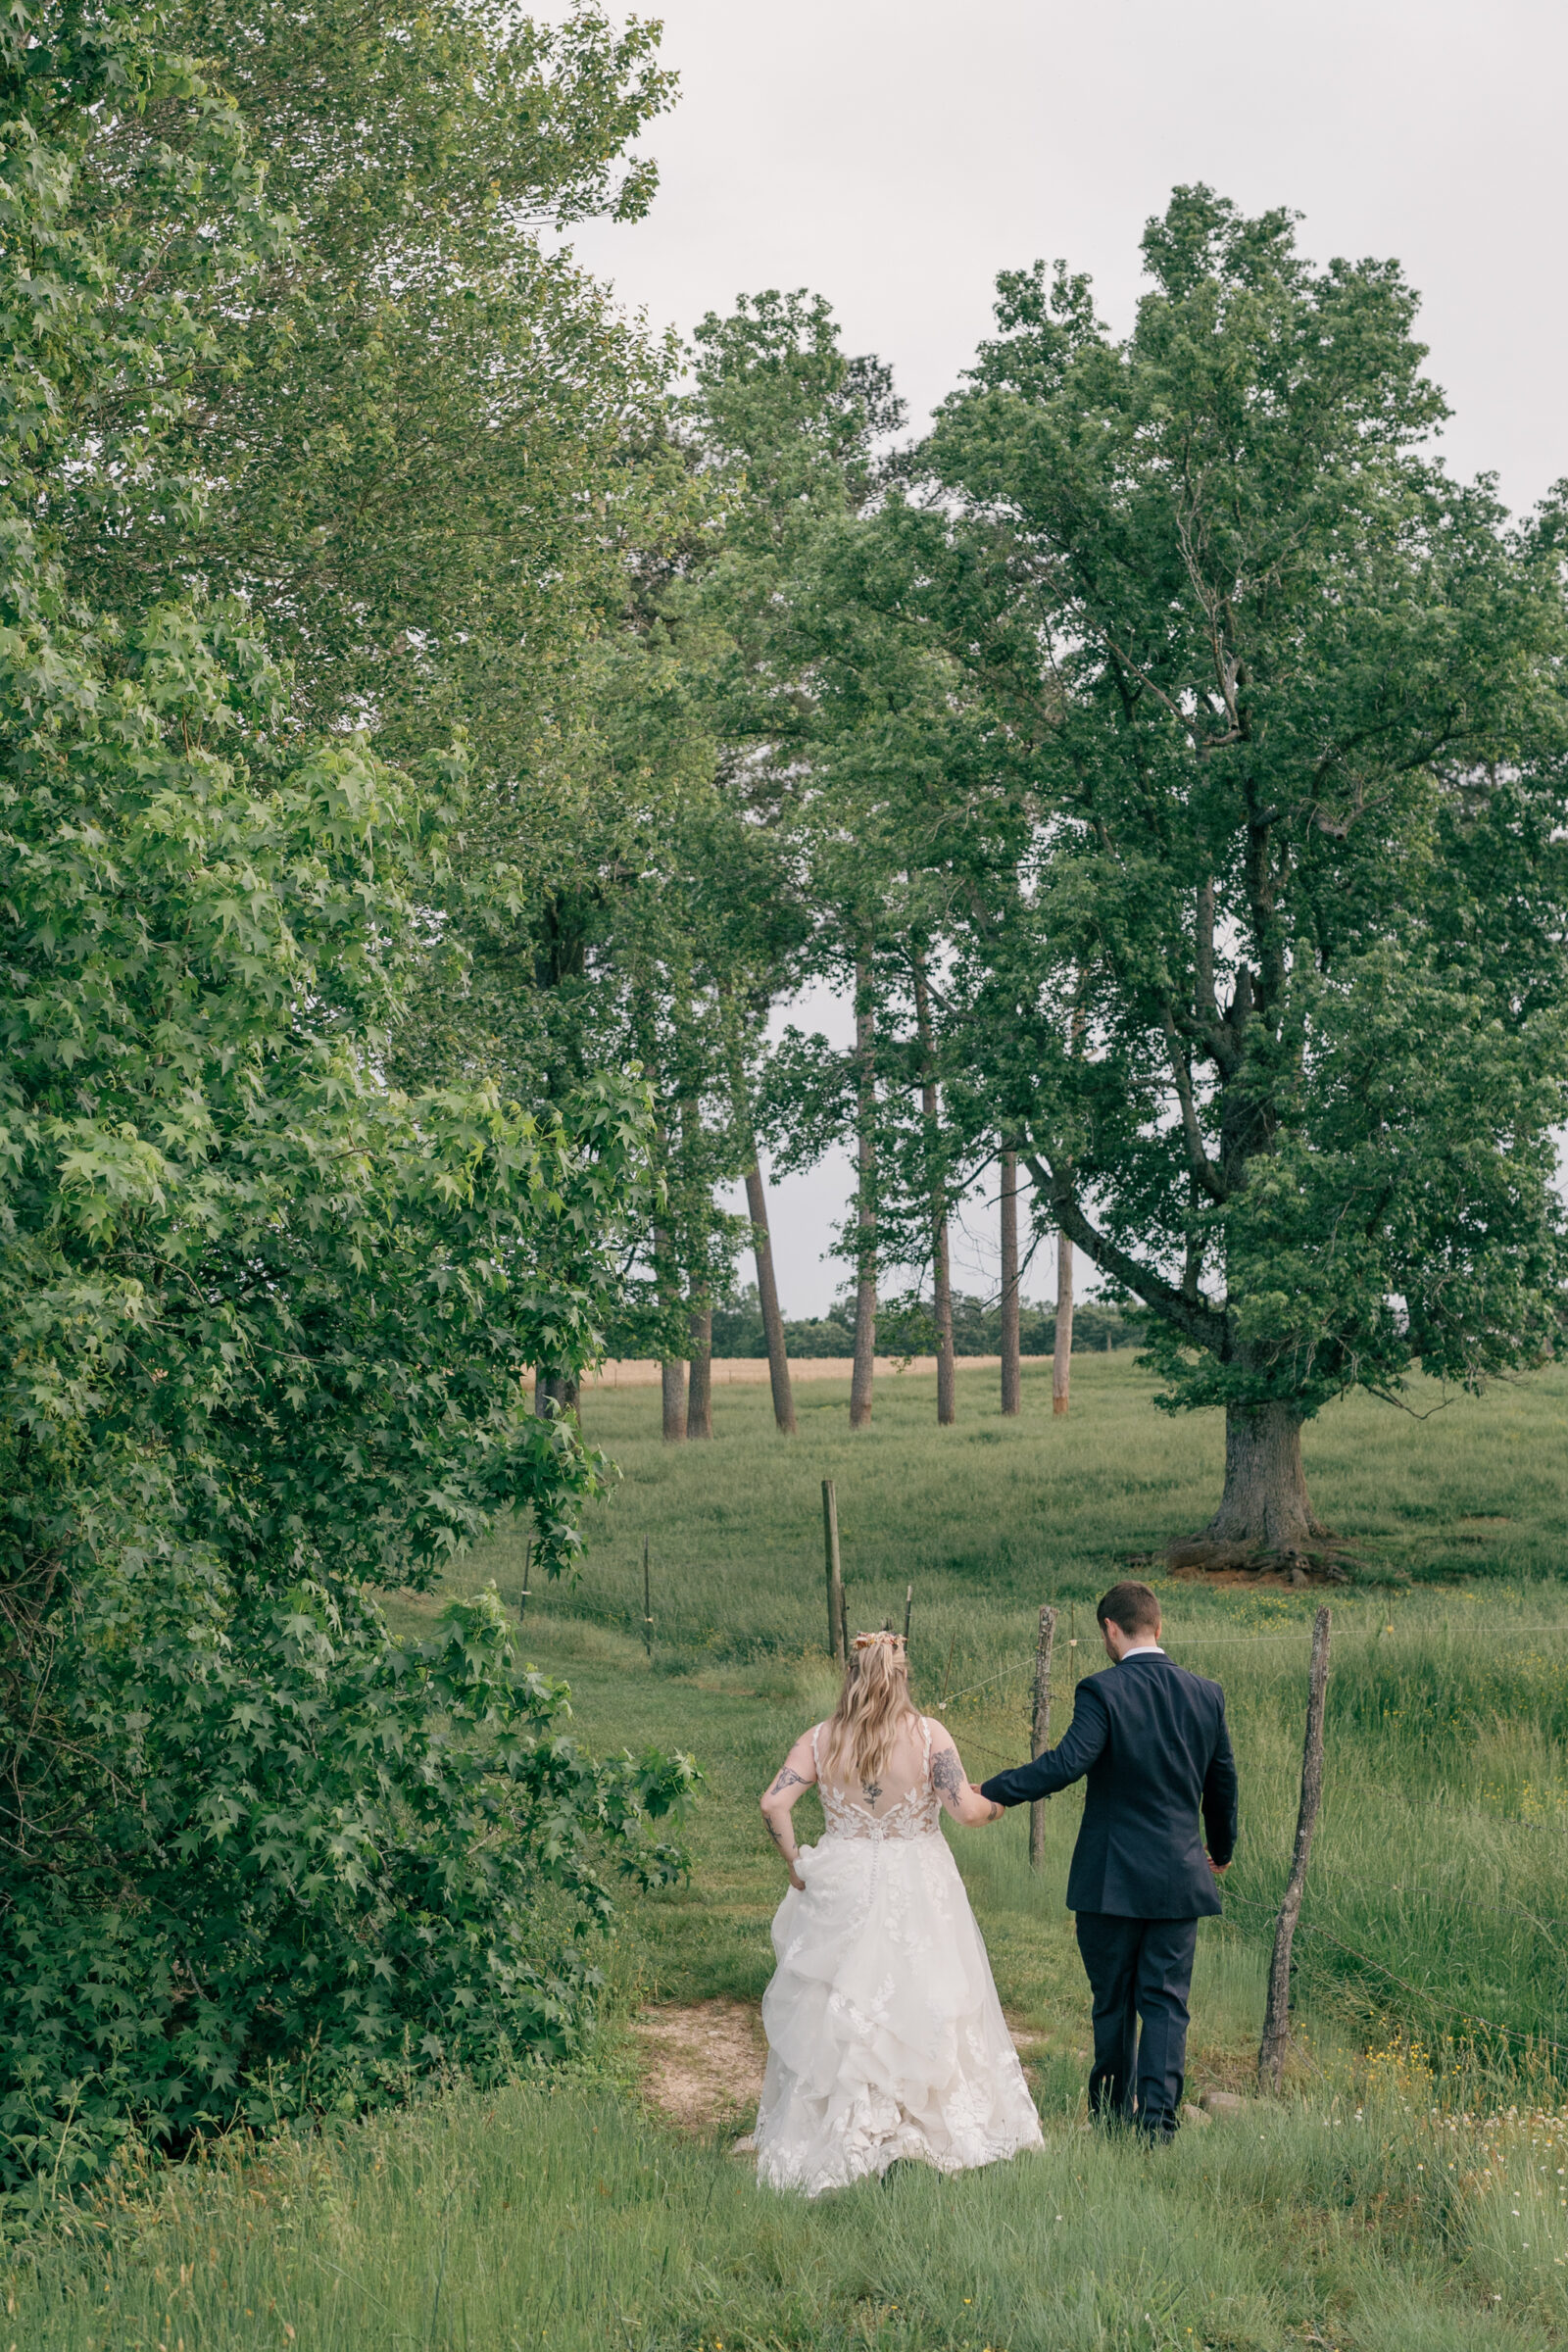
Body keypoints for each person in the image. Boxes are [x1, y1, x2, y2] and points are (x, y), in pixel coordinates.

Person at [753, 1629, 1044, 2195]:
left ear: (852, 1676)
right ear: (901, 1675)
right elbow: (967, 1813)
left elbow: (773, 1803)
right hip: (919, 1879)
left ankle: (846, 2124)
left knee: (840, 1998)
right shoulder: (928, 1736)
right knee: (926, 1990)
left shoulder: (819, 1740)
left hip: (844, 1878)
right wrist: (1000, 1802)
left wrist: (795, 1861)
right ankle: (924, 2118)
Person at [979, 1580, 1238, 2143]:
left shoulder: (1102, 1690)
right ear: (1158, 1627)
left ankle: (1110, 2121)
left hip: (1110, 1879)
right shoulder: (1206, 1693)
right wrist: (1220, 1849)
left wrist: (994, 1790)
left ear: (1109, 1630)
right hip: (1178, 1876)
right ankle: (1158, 2130)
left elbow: (1068, 1762)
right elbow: (1222, 1783)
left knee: (1113, 2001)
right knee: (1167, 2003)